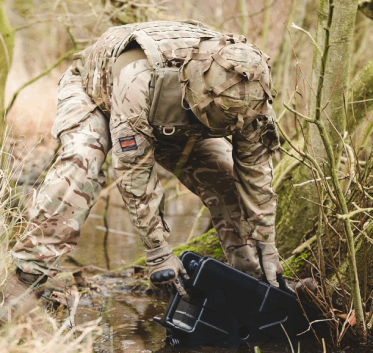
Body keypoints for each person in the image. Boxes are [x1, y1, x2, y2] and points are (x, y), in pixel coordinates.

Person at [1, 20, 287, 320]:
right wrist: (157, 251)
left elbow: (255, 176)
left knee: (229, 183)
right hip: (100, 96)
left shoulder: (250, 97)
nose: (236, 128)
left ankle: (253, 283)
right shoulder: (141, 77)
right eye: (229, 119)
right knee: (81, 164)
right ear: (204, 96)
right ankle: (24, 277)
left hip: (180, 121)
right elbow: (134, 170)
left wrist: (266, 242)